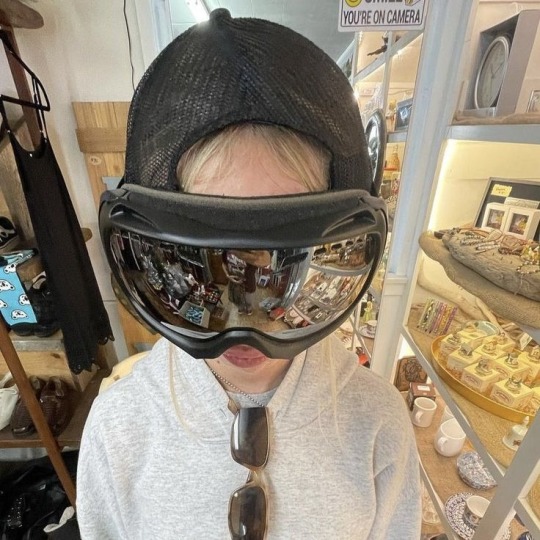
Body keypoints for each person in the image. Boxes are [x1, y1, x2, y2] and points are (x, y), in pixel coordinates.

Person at [77, 9, 421, 539]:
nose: (245, 326)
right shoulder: (119, 430)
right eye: (201, 267)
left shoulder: (377, 426)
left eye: (285, 267)